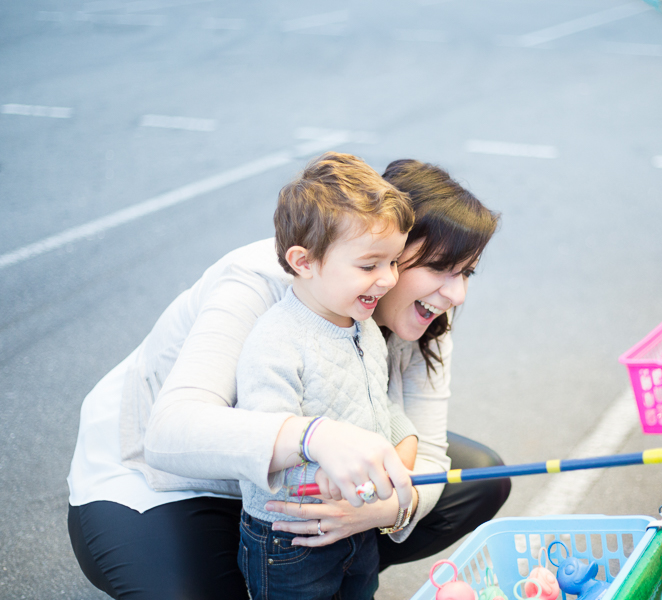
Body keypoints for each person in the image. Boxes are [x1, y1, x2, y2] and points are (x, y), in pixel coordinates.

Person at [66, 157, 508, 600]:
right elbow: (167, 434)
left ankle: (324, 551)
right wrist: (314, 436)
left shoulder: (426, 315)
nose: (456, 294)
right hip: (163, 483)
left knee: (480, 478)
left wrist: (384, 512)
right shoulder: (259, 286)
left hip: (297, 485)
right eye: (438, 268)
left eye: (465, 271)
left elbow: (429, 453)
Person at [235, 153, 418, 600]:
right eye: (369, 265)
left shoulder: (363, 325)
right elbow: (264, 439)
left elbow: (376, 403)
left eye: (393, 262)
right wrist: (321, 474)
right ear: (304, 261)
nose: (388, 279)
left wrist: (402, 444)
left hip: (356, 521)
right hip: (293, 537)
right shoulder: (276, 340)